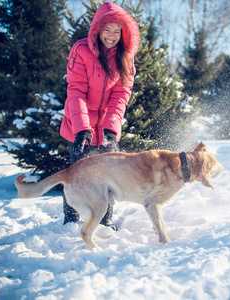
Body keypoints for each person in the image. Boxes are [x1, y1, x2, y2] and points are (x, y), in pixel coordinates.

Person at [60, 3, 140, 229]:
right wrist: (82, 129)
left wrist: (110, 130)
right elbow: (76, 91)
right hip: (80, 123)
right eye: (108, 30)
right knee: (78, 176)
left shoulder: (125, 56)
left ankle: (105, 222)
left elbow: (121, 94)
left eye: (117, 31)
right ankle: (71, 221)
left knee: (107, 179)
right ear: (97, 29)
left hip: (105, 125)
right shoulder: (81, 49)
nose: (112, 36)